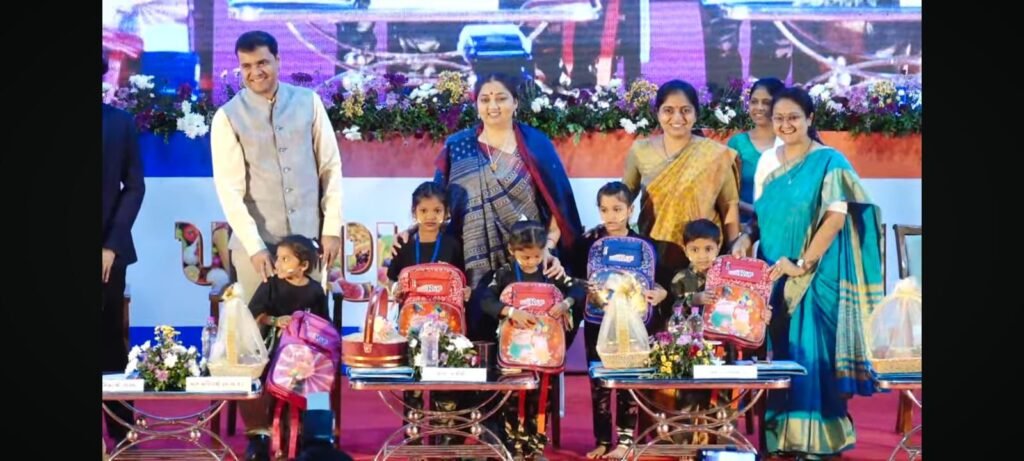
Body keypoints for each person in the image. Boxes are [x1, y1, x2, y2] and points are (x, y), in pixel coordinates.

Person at [732, 87, 882, 458]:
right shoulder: (768, 161)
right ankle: (779, 438)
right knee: (778, 355)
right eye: (779, 118)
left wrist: (802, 263)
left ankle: (818, 441)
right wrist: (745, 237)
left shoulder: (829, 161)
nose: (785, 125)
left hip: (814, 275)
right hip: (772, 272)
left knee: (812, 356)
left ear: (810, 119)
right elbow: (762, 215)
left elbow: (835, 218)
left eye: (793, 118)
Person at [210, 30, 344, 304]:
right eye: (247, 66)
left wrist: (331, 229)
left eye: (262, 63)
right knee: (256, 328)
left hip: (308, 247)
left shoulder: (309, 102)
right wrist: (254, 247)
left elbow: (330, 168)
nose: (255, 72)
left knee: (309, 327)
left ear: (278, 60)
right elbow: (230, 191)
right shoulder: (227, 117)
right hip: (258, 250)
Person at [569, 181, 668, 459]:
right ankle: (602, 440)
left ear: (630, 210)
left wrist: (661, 293)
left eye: (617, 209)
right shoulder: (587, 243)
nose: (610, 216)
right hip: (597, 324)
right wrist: (583, 287)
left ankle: (625, 441)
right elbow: (571, 279)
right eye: (604, 210)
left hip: (634, 326)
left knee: (628, 381)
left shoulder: (645, 246)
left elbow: (662, 282)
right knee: (598, 383)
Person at [478, 220, 586, 460]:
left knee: (542, 399)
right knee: (513, 399)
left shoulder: (549, 270)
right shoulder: (505, 273)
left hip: (545, 352)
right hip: (512, 352)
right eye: (525, 257)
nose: (531, 261)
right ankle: (516, 449)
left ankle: (536, 449)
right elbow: (485, 300)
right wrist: (510, 312)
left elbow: (578, 289)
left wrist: (565, 303)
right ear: (512, 250)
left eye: (537, 256)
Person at [622, 79, 742, 295]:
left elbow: (729, 207)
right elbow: (624, 199)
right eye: (668, 110)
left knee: (699, 311)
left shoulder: (715, 154)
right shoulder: (640, 151)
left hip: (702, 257)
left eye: (685, 110)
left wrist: (734, 254)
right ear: (657, 113)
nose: (677, 118)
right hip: (655, 253)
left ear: (696, 114)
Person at [242, 235, 330, 461]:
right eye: (277, 258)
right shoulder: (270, 285)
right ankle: (263, 437)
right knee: (265, 376)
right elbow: (254, 313)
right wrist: (275, 321)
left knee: (318, 379)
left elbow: (324, 325)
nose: (278, 264)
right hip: (274, 349)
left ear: (303, 265)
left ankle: (314, 437)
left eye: (285, 259)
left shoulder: (315, 291)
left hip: (306, 353)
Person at [102, 53, 146, 445]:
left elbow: (134, 187)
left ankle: (120, 431)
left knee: (110, 340)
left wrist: (112, 245)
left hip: (106, 253)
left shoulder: (119, 123)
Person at [726, 77, 785, 223]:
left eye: (766, 103)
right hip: (745, 226)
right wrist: (757, 211)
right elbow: (727, 195)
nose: (759, 108)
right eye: (754, 102)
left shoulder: (790, 142)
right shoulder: (738, 144)